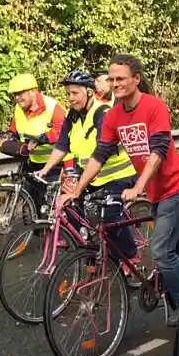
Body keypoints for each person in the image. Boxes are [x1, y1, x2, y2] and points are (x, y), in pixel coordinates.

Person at [59, 54, 179, 336]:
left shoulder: (154, 107)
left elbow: (158, 150)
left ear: (136, 79)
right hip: (155, 192)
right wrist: (78, 189)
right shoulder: (114, 115)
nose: (115, 83)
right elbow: (100, 154)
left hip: (174, 189)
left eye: (120, 78)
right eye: (111, 79)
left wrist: (139, 185)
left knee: (162, 252)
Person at [34, 70, 138, 267]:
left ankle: (130, 254)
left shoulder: (103, 113)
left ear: (89, 93)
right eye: (68, 94)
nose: (70, 98)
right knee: (68, 207)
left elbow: (101, 152)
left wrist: (78, 184)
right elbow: (62, 146)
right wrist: (45, 170)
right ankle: (89, 248)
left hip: (118, 175)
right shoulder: (72, 117)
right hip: (92, 176)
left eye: (75, 93)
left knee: (110, 216)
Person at [0, 73, 68, 205]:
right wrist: (7, 137)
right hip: (33, 164)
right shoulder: (19, 109)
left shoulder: (52, 107)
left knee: (51, 210)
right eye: (14, 95)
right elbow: (14, 130)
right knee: (31, 207)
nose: (17, 98)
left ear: (33, 91)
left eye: (20, 94)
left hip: (56, 166)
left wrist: (42, 138)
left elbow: (62, 132)